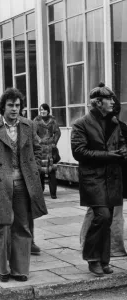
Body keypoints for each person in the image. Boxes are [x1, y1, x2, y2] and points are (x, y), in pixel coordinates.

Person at [0, 88, 48, 282]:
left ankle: (20, 269)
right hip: (0, 184)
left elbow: (37, 149)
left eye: (18, 105)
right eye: (11, 105)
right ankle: (2, 269)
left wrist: (35, 167)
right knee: (1, 227)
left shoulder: (28, 125)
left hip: (24, 184)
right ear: (3, 107)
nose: (15, 109)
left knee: (22, 226)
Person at [71, 82, 127, 277]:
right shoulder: (80, 124)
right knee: (101, 216)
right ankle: (92, 258)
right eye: (109, 99)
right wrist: (109, 156)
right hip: (93, 179)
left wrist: (123, 151)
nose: (113, 102)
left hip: (112, 178)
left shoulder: (113, 122)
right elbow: (79, 152)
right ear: (97, 103)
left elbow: (121, 143)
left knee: (108, 219)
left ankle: (104, 260)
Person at [33, 104, 61, 199]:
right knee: (40, 172)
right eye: (41, 110)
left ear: (48, 110)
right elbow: (33, 133)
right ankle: (40, 192)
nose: (42, 111)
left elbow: (57, 132)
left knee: (52, 171)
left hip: (50, 149)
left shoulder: (53, 121)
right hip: (40, 149)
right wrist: (39, 140)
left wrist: (54, 142)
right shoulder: (36, 121)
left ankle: (53, 193)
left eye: (44, 110)